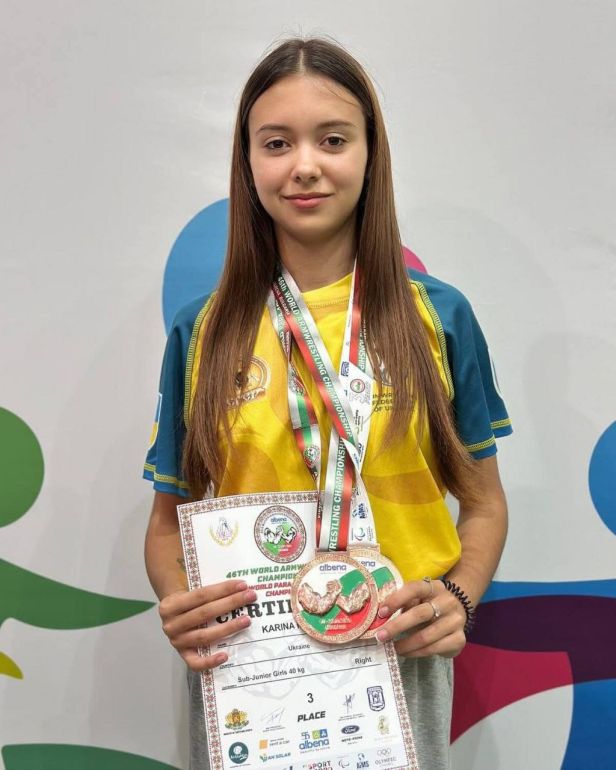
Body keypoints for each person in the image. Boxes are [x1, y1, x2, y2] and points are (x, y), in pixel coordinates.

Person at [143, 36, 511, 770]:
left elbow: (485, 503)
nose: (304, 165)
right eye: (276, 143)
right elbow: (165, 525)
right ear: (248, 161)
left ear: (371, 154)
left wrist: (460, 598)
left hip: (397, 652)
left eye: (333, 140)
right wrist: (181, 603)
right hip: (250, 666)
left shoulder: (437, 317)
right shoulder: (203, 330)